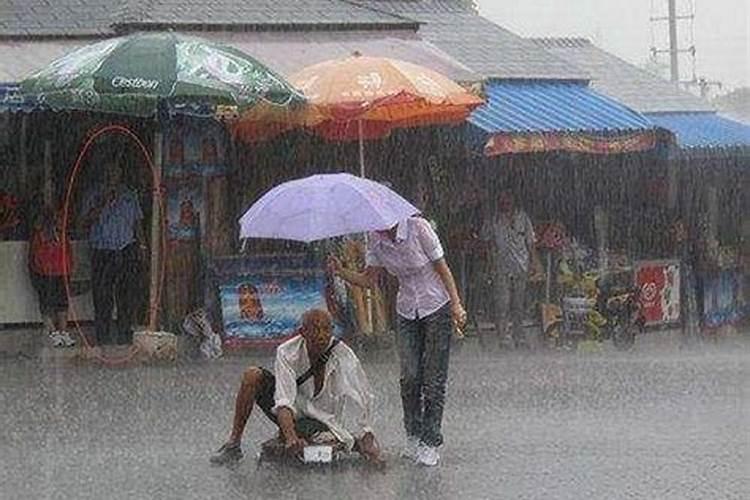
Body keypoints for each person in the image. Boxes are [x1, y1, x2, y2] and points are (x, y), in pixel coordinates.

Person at [330, 215, 467, 467]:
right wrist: (342, 272)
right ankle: (413, 435)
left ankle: (430, 441)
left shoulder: (420, 228)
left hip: (436, 306)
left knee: (434, 379)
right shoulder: (376, 238)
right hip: (406, 310)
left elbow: (442, 268)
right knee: (409, 376)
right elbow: (369, 280)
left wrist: (456, 305)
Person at [210, 309, 381, 465]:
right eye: (315, 329)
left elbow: (364, 395)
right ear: (302, 332)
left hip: (323, 420)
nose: (321, 335)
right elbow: (284, 399)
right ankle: (233, 444)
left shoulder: (344, 354)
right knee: (252, 375)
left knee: (320, 435)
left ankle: (316, 437)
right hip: (292, 413)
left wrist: (367, 431)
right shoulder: (287, 352)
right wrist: (291, 436)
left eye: (326, 329)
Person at [82, 160, 146, 346]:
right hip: (102, 251)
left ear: (120, 174)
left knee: (126, 295)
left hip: (126, 249)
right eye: (108, 172)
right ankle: (103, 337)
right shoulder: (93, 194)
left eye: (115, 172)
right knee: (102, 296)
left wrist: (142, 246)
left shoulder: (129, 194)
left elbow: (137, 223)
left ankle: (124, 335)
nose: (112, 176)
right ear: (103, 174)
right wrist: (102, 203)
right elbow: (83, 222)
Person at [481, 190, 542, 349]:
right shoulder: (493, 220)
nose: (505, 201)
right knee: (503, 303)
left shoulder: (523, 218)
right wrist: (490, 264)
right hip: (500, 266)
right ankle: (504, 337)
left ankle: (519, 335)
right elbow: (487, 243)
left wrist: (535, 264)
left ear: (513, 199)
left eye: (508, 198)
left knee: (519, 303)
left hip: (521, 265)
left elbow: (531, 242)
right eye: (502, 198)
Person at [28, 204, 75, 348]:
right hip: (45, 272)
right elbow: (35, 255)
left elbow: (68, 251)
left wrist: (70, 267)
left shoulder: (60, 233)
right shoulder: (39, 233)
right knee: (47, 303)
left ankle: (63, 332)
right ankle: (53, 333)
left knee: (62, 303)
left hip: (61, 271)